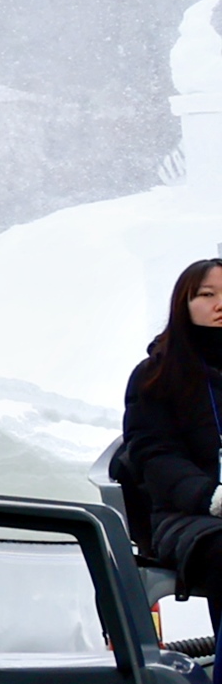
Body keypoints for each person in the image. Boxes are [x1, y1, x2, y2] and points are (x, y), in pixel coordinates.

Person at [115, 258, 222, 609]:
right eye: (207, 294)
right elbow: (154, 454)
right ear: (183, 305)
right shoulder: (156, 376)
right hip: (189, 516)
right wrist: (211, 497)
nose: (220, 304)